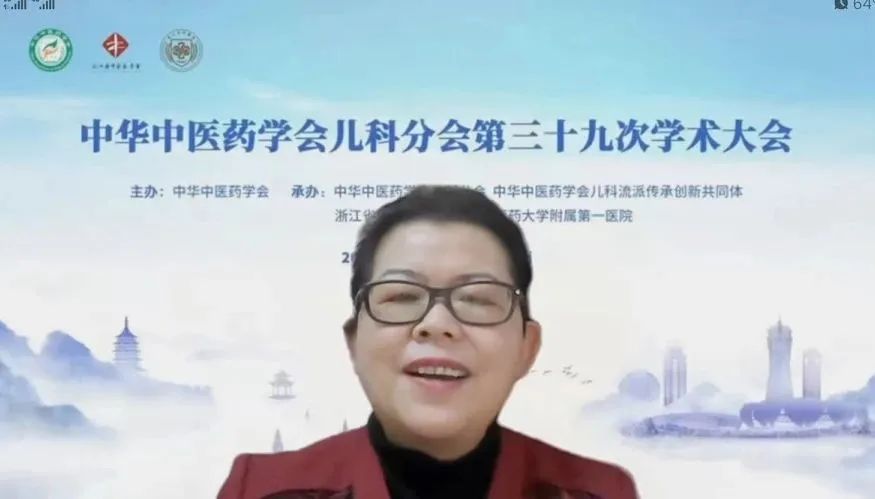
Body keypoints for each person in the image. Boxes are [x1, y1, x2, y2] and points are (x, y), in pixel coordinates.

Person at [218, 185, 639, 499]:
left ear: (527, 348)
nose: (437, 324)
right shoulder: (263, 490)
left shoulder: (596, 493)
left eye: (478, 299)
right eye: (402, 297)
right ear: (353, 341)